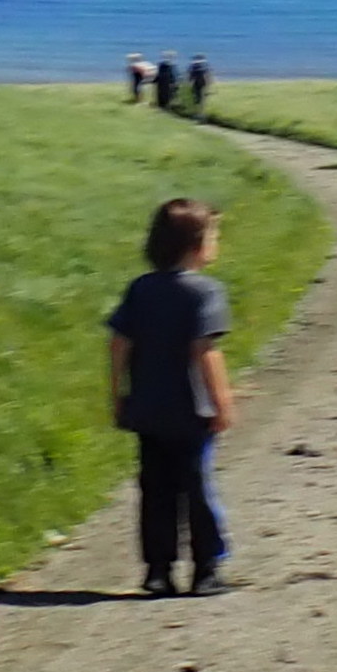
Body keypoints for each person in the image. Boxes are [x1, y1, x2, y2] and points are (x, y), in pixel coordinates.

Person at [107, 195, 236, 594]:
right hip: (191, 410)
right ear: (197, 244)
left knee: (155, 490)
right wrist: (222, 402)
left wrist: (118, 394)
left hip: (147, 407)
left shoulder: (140, 289)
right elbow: (205, 351)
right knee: (197, 487)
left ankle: (158, 569)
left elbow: (118, 345)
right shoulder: (205, 292)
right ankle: (206, 568)